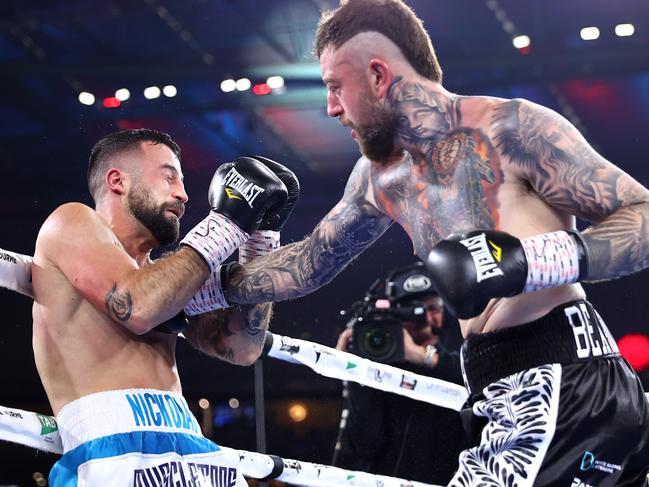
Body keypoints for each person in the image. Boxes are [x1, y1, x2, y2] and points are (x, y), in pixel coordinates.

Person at [217, 1, 649, 485]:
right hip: (514, 389)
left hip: (559, 384)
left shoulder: (512, 127)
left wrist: (528, 261)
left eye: (336, 87)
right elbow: (309, 264)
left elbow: (643, 217)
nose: (330, 108)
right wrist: (211, 275)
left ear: (379, 76)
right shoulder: (378, 180)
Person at [28, 128, 299, 485]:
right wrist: (227, 221)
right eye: (169, 176)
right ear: (117, 180)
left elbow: (242, 348)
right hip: (112, 447)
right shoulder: (70, 221)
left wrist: (260, 238)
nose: (183, 194)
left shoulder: (164, 275)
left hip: (192, 447)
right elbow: (138, 306)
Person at [332, 262, 466, 484]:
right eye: (415, 312)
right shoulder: (378, 368)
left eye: (433, 308)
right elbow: (364, 445)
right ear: (396, 316)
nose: (427, 319)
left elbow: (474, 378)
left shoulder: (459, 357)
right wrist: (354, 374)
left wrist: (423, 357)